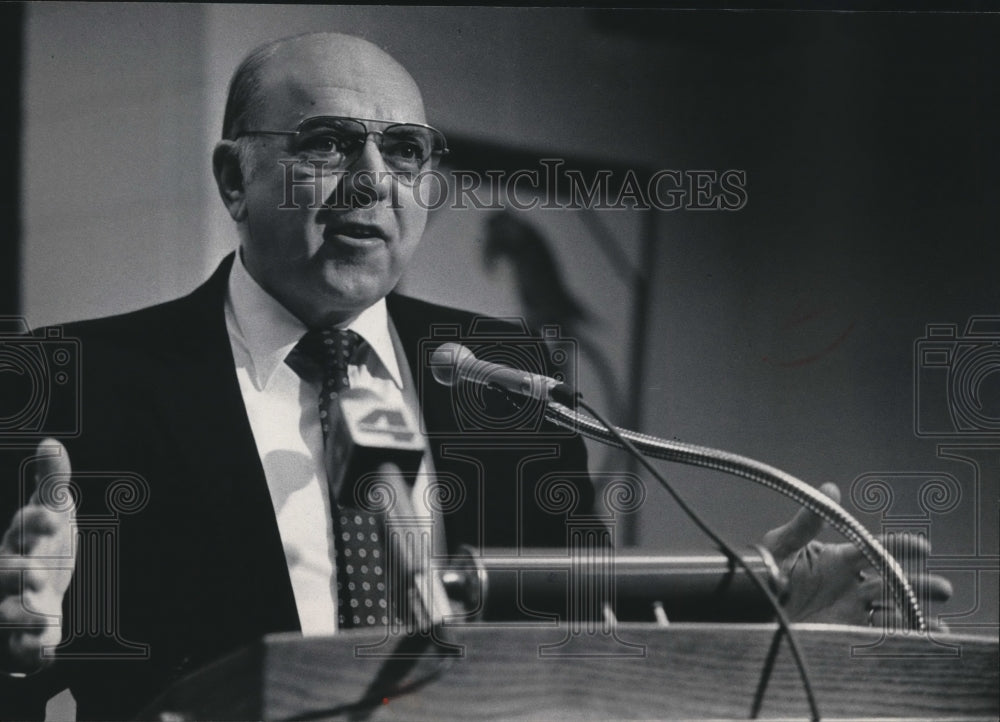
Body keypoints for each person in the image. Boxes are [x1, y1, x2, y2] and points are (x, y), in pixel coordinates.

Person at [0, 32, 949, 720]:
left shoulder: (503, 375)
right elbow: (31, 644)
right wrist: (15, 644)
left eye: (405, 151)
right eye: (328, 143)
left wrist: (771, 622)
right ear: (232, 179)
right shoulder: (78, 376)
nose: (373, 180)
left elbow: (583, 638)